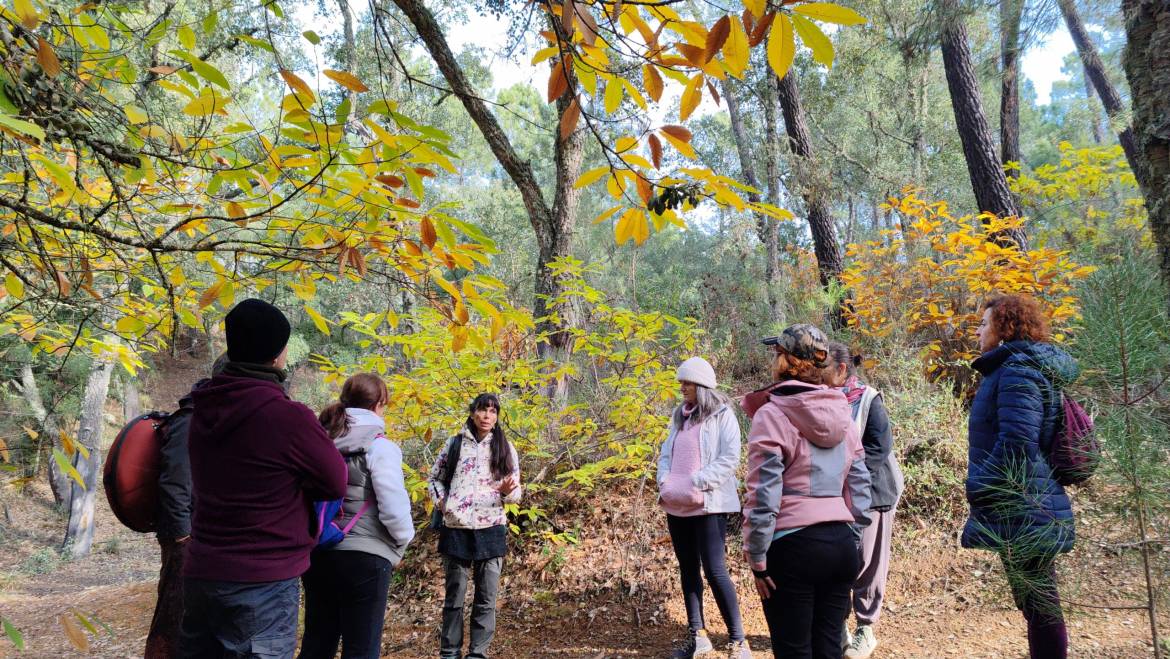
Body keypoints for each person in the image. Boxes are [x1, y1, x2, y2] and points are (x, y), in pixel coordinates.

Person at [181, 299, 348, 659]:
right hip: (263, 580)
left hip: (202, 572)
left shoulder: (202, 407)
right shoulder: (287, 417)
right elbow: (335, 481)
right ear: (278, 354)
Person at [741, 324, 871, 659]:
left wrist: (757, 558)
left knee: (794, 651)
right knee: (829, 649)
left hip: (792, 548)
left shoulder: (771, 414)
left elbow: (763, 494)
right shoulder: (843, 412)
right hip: (841, 546)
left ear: (782, 360)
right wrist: (852, 536)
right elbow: (859, 485)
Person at [964, 294, 1077, 659]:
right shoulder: (1016, 367)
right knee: (1034, 600)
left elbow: (1017, 441)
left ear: (1004, 326)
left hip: (1025, 503)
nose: (979, 331)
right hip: (1026, 500)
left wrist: (982, 485)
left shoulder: (1018, 371)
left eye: (985, 323)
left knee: (1040, 602)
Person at [299, 373, 416, 659]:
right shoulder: (380, 446)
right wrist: (401, 543)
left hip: (320, 553)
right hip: (366, 557)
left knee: (317, 644)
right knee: (361, 649)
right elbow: (393, 506)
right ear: (378, 404)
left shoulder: (321, 441)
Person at [658, 357, 753, 659]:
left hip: (709, 504)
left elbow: (729, 459)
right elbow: (665, 455)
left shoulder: (723, 415)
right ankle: (698, 636)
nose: (682, 387)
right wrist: (665, 481)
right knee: (688, 569)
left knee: (714, 571)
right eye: (681, 382)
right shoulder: (679, 417)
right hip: (677, 505)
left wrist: (695, 481)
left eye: (686, 382)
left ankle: (738, 640)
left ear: (701, 385)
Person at [145, 354, 229, 659]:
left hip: (201, 539)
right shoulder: (191, 418)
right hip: (186, 540)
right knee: (175, 623)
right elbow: (175, 481)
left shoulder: (211, 416)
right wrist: (182, 537)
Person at [825, 344, 904, 659]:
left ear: (842, 369)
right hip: (836, 493)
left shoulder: (869, 399)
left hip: (874, 492)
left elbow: (879, 446)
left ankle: (866, 630)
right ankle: (839, 626)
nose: (819, 375)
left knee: (868, 561)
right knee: (841, 560)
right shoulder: (824, 400)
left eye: (825, 368)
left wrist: (847, 474)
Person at [428, 393, 521, 659]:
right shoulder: (454, 444)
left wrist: (506, 492)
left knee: (486, 598)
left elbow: (516, 492)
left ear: (497, 416)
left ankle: (477, 654)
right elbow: (435, 478)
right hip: (456, 527)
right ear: (472, 413)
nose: (487, 416)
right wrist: (444, 503)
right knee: (454, 598)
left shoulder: (505, 447)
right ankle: (449, 653)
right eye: (482, 410)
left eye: (492, 411)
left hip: (491, 527)